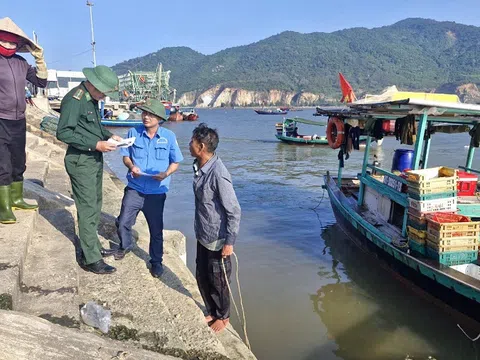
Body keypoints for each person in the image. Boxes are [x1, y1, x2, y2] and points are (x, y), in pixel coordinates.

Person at [56, 65, 123, 275]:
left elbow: (93, 127)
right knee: (87, 208)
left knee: (95, 205)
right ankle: (90, 259)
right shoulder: (74, 99)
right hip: (81, 160)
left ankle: (91, 246)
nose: (104, 96)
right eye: (103, 91)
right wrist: (95, 145)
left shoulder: (91, 100)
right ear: (93, 85)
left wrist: (109, 136)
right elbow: (64, 132)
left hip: (92, 160)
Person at [115, 99, 183, 278]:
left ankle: (156, 262)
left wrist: (165, 174)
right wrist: (131, 167)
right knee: (123, 222)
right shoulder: (133, 133)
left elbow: (176, 162)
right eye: (144, 113)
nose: (146, 116)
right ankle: (125, 245)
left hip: (156, 192)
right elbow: (125, 156)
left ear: (159, 118)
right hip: (134, 188)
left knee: (156, 229)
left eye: (150, 114)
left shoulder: (168, 137)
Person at [189, 123, 241, 333]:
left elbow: (234, 210)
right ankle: (211, 309)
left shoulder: (218, 174)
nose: (189, 144)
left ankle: (223, 316)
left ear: (201, 146)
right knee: (202, 274)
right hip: (203, 233)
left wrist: (229, 242)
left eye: (192, 141)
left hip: (218, 238)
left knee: (219, 279)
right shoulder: (199, 167)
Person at [0, 17, 48, 224]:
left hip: (19, 119)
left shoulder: (22, 62)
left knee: (19, 161)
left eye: (13, 43)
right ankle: (4, 207)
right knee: (3, 164)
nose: (9, 46)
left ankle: (17, 198)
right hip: (0, 119)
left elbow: (41, 82)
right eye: (5, 41)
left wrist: (39, 60)